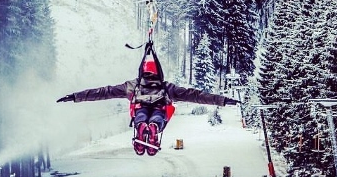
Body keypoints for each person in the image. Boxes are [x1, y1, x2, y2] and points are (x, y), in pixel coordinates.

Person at [56, 53, 240, 156]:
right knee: (159, 115)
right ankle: (154, 126)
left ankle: (142, 125)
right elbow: (196, 95)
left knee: (140, 113)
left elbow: (104, 92)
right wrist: (223, 100)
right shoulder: (167, 87)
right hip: (160, 107)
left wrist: (75, 96)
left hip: (139, 107)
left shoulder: (132, 86)